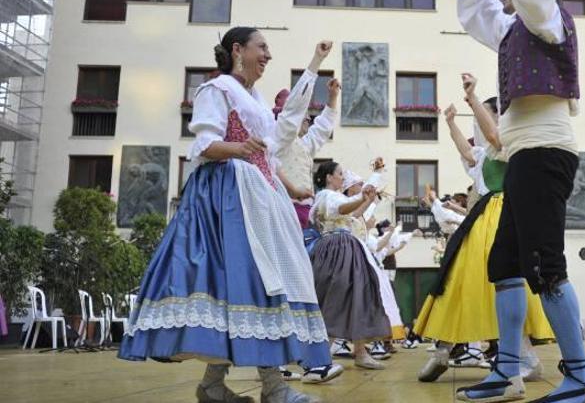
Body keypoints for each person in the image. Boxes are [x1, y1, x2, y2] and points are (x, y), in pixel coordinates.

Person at [119, 29, 340, 403]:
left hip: (258, 195)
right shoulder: (216, 89)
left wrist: (314, 66)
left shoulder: (252, 97)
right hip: (228, 197)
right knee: (254, 282)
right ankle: (271, 388)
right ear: (238, 50)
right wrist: (240, 147)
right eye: (262, 47)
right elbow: (205, 144)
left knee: (250, 286)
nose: (268, 55)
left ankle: (215, 386)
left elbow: (284, 130)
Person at [452, 0, 585, 401]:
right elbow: (487, 17)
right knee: (505, 265)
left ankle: (580, 377)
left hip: (544, 155)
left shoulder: (546, 17)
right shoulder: (517, 30)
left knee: (544, 264)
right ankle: (510, 373)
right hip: (524, 159)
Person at [414, 82, 553, 384]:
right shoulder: (486, 153)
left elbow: (493, 134)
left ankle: (524, 358)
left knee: (500, 284)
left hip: (502, 216)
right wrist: (450, 123)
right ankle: (443, 348)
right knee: (461, 280)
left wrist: (472, 99)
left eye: (484, 118)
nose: (479, 125)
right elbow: (466, 149)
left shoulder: (510, 143)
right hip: (483, 220)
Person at [309, 161, 392, 370]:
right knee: (335, 296)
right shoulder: (326, 196)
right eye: (339, 174)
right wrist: (363, 196)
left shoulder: (334, 197)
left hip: (344, 248)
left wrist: (366, 199)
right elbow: (342, 208)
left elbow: (350, 215)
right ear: (329, 177)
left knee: (358, 295)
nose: (341, 177)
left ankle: (360, 352)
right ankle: (320, 356)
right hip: (337, 248)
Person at [274, 76, 340, 232]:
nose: (309, 118)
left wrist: (333, 97)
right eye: (304, 114)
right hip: (285, 209)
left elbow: (322, 129)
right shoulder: (279, 141)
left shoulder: (302, 144)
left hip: (304, 213)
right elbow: (289, 121)